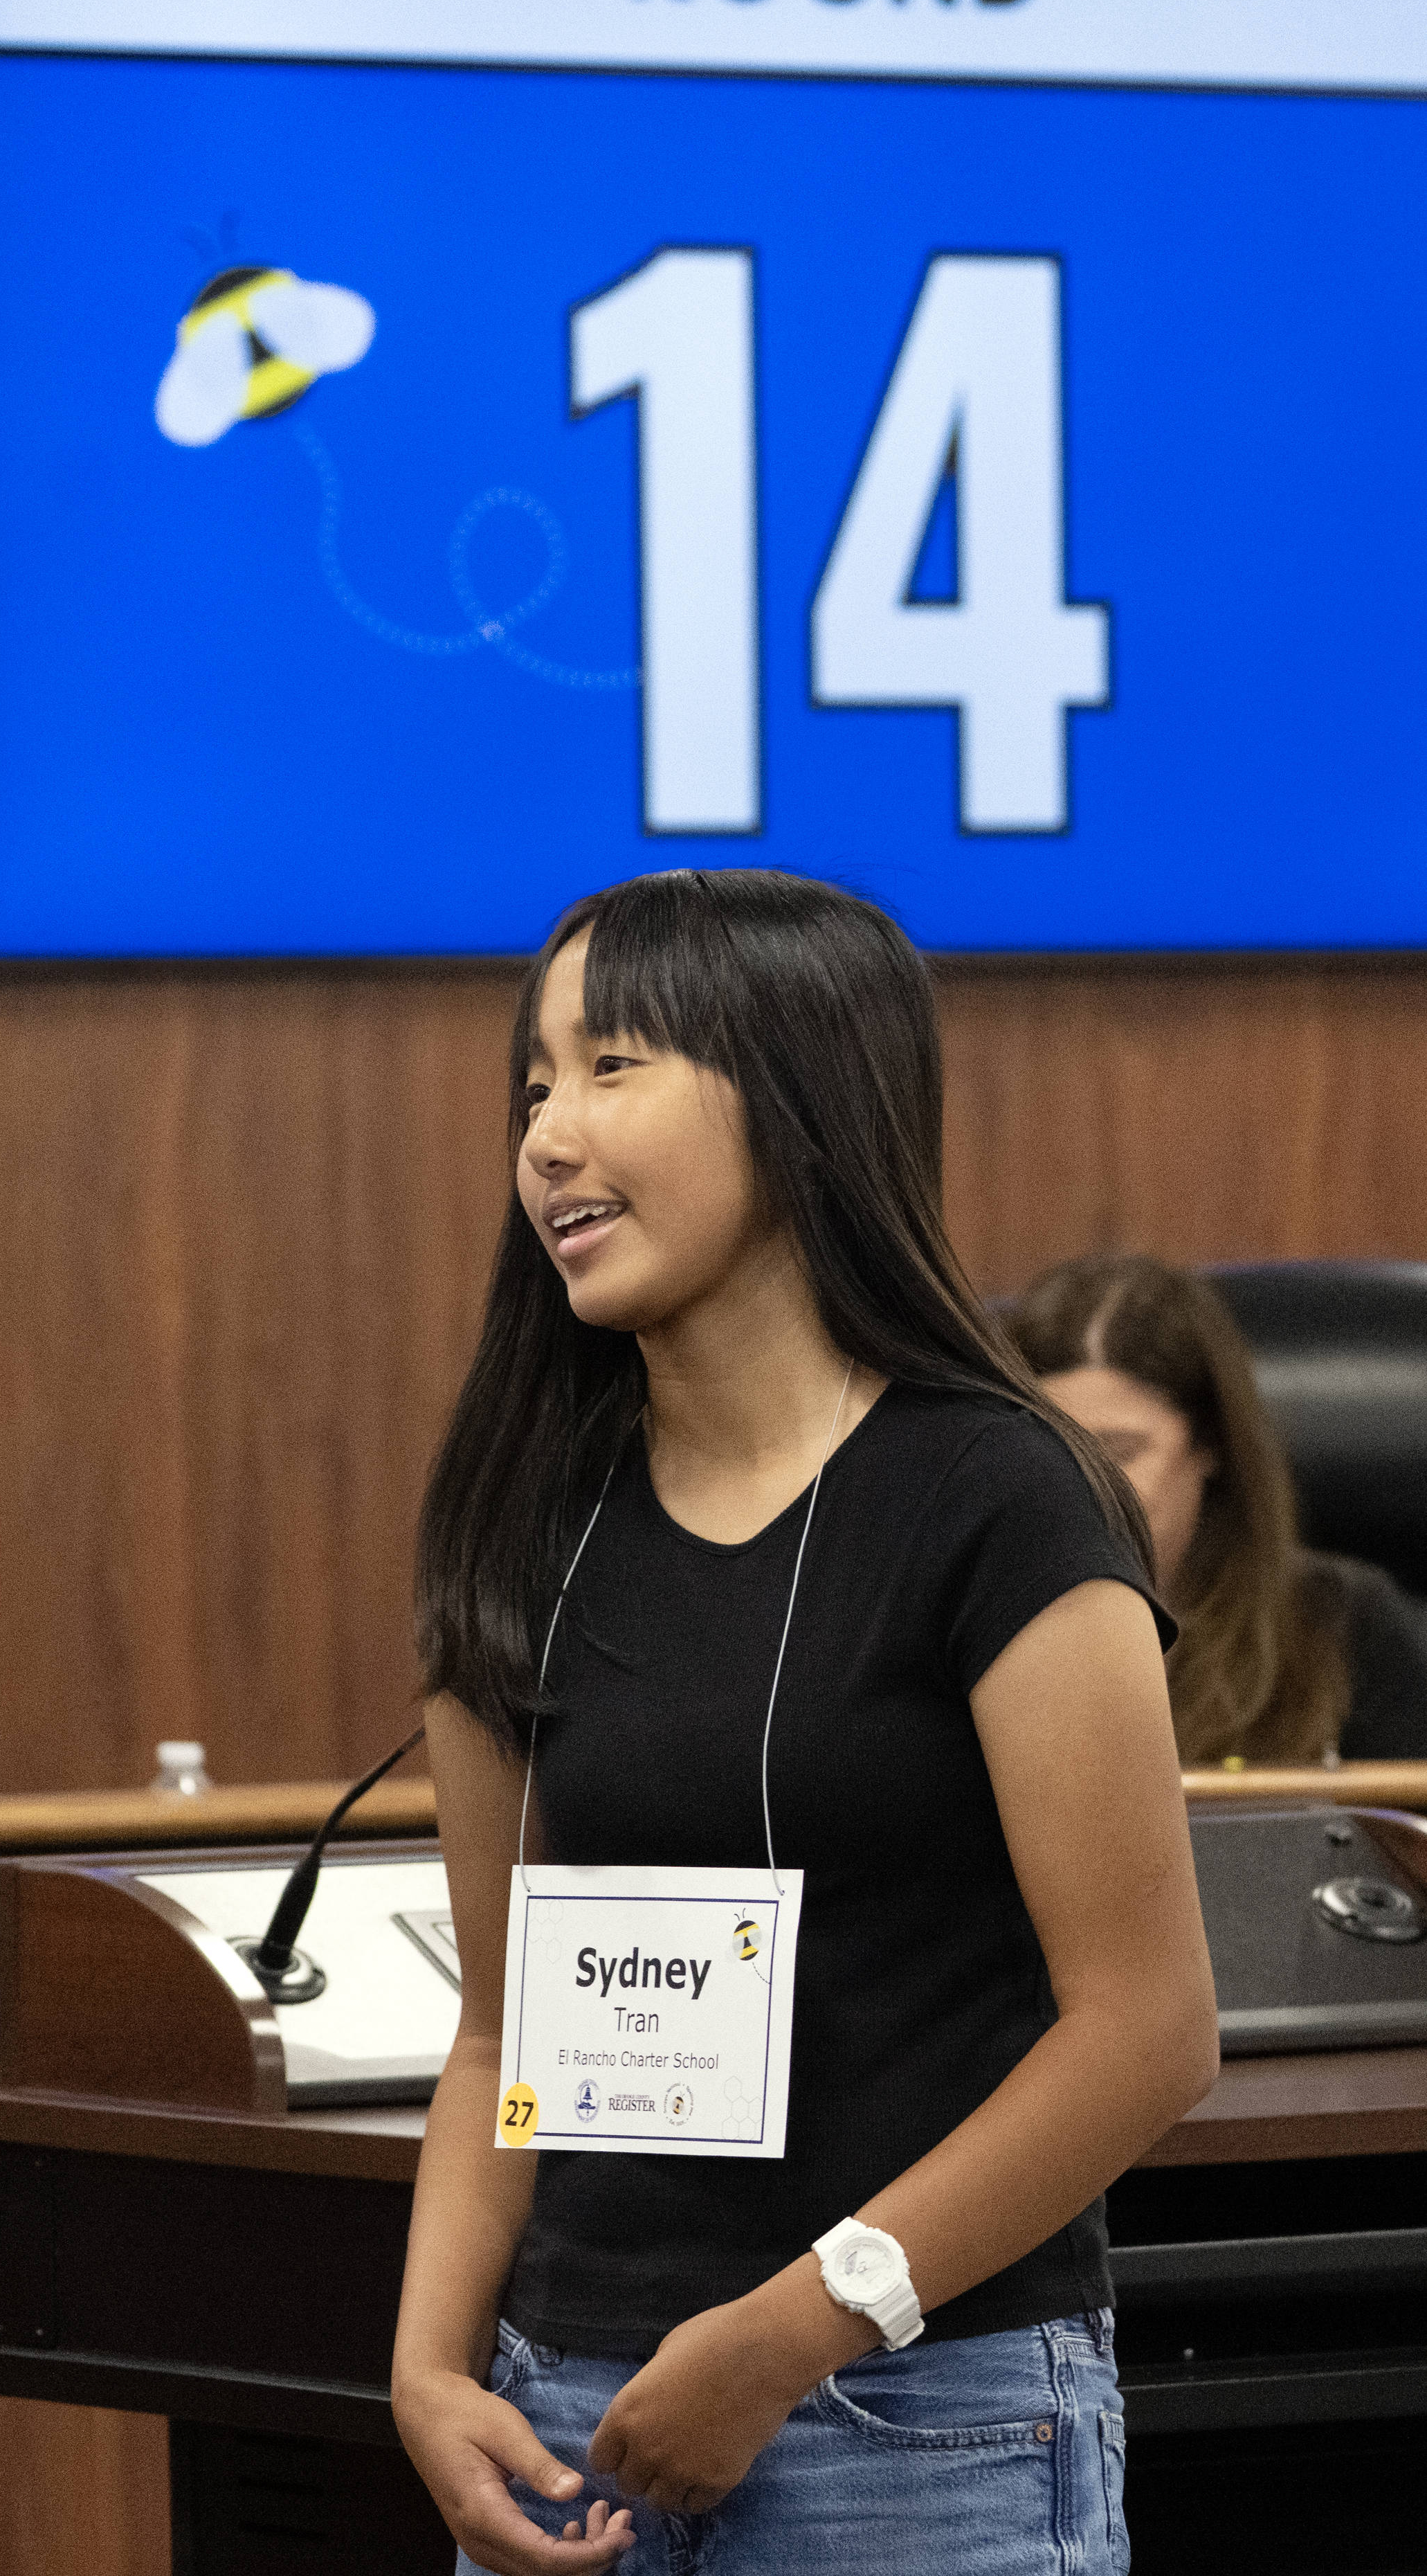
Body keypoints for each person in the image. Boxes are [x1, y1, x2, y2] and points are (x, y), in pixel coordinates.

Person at [394, 870, 1219, 2576]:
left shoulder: (997, 1493)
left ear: (797, 1098)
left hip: (917, 2414)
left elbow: (1142, 2027)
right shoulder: (514, 1514)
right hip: (565, 2417)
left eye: (610, 1063)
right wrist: (423, 2368)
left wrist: (786, 2332)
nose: (546, 1132)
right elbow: (497, 2034)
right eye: (531, 1084)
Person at [1005, 1252, 1427, 1767]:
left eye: (1119, 1453)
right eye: (1049, 1451)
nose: (1079, 1488)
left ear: (1211, 1444)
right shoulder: (975, 1630)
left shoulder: (1341, 1624)